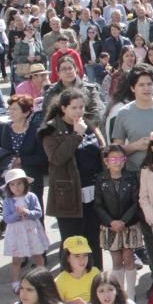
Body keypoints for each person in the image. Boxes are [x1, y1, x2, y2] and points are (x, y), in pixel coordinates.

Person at [39, 88, 105, 268]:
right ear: (63, 108)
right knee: (72, 244)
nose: (78, 112)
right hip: (68, 196)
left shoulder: (89, 125)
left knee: (93, 242)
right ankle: (69, 282)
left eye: (81, 107)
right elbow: (57, 158)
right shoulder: (49, 131)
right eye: (74, 108)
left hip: (93, 191)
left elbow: (102, 151)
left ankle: (96, 280)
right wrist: (76, 135)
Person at [93, 144, 143, 299]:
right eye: (113, 159)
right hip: (110, 227)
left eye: (120, 158)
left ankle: (132, 293)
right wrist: (111, 222)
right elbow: (98, 204)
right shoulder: (100, 179)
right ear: (106, 161)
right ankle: (120, 292)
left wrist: (123, 221)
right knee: (116, 260)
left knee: (128, 258)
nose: (117, 162)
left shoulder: (132, 177)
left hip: (129, 225)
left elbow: (136, 202)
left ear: (125, 160)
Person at [1, 168, 48, 296]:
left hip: (31, 230)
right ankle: (15, 282)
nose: (16, 187)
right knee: (17, 259)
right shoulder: (7, 201)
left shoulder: (31, 196)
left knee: (38, 255)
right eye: (12, 184)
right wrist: (17, 214)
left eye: (19, 183)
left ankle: (42, 278)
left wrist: (27, 212)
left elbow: (38, 213)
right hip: (16, 232)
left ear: (25, 184)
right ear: (8, 187)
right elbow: (6, 218)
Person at [42, 56, 106, 130]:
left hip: (87, 131)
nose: (68, 72)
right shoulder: (51, 91)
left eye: (70, 68)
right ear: (58, 73)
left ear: (76, 70)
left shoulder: (89, 89)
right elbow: (47, 115)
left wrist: (83, 127)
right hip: (60, 133)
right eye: (64, 69)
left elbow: (97, 112)